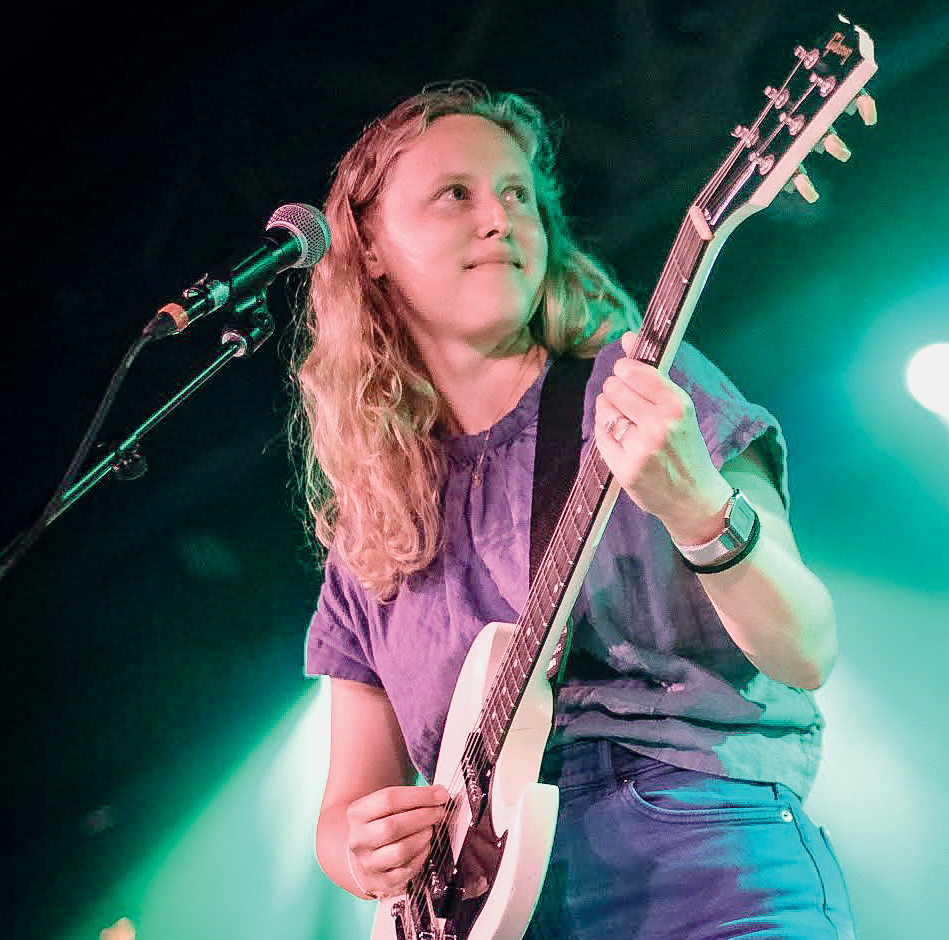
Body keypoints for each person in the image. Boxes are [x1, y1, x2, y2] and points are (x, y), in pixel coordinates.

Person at [292, 81, 856, 938]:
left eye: (517, 193)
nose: (499, 218)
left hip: (696, 854)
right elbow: (347, 808)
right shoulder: (371, 522)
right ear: (367, 246)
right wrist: (359, 848)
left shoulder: (641, 392)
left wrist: (700, 505)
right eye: (457, 195)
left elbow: (806, 646)